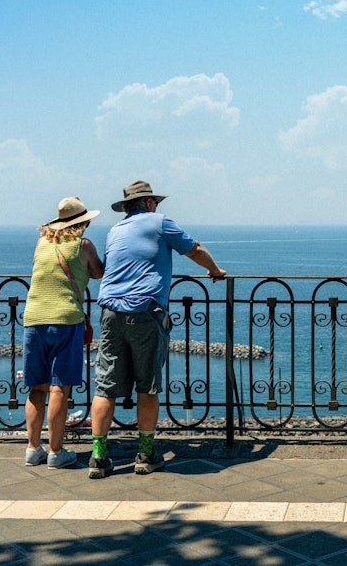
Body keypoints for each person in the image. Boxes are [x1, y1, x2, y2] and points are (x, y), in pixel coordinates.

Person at [88, 180, 226, 478]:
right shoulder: (160, 223)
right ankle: (145, 454)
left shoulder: (115, 231)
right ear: (149, 203)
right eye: (156, 203)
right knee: (147, 384)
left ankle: (99, 456)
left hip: (109, 311)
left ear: (128, 207)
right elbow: (195, 249)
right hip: (144, 311)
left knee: (105, 386)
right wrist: (215, 271)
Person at [23, 197, 104, 469]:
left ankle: (33, 449)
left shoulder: (42, 242)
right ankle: (56, 452)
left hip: (33, 317)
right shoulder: (84, 245)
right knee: (59, 386)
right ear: (82, 223)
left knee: (37, 387)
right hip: (66, 320)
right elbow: (98, 272)